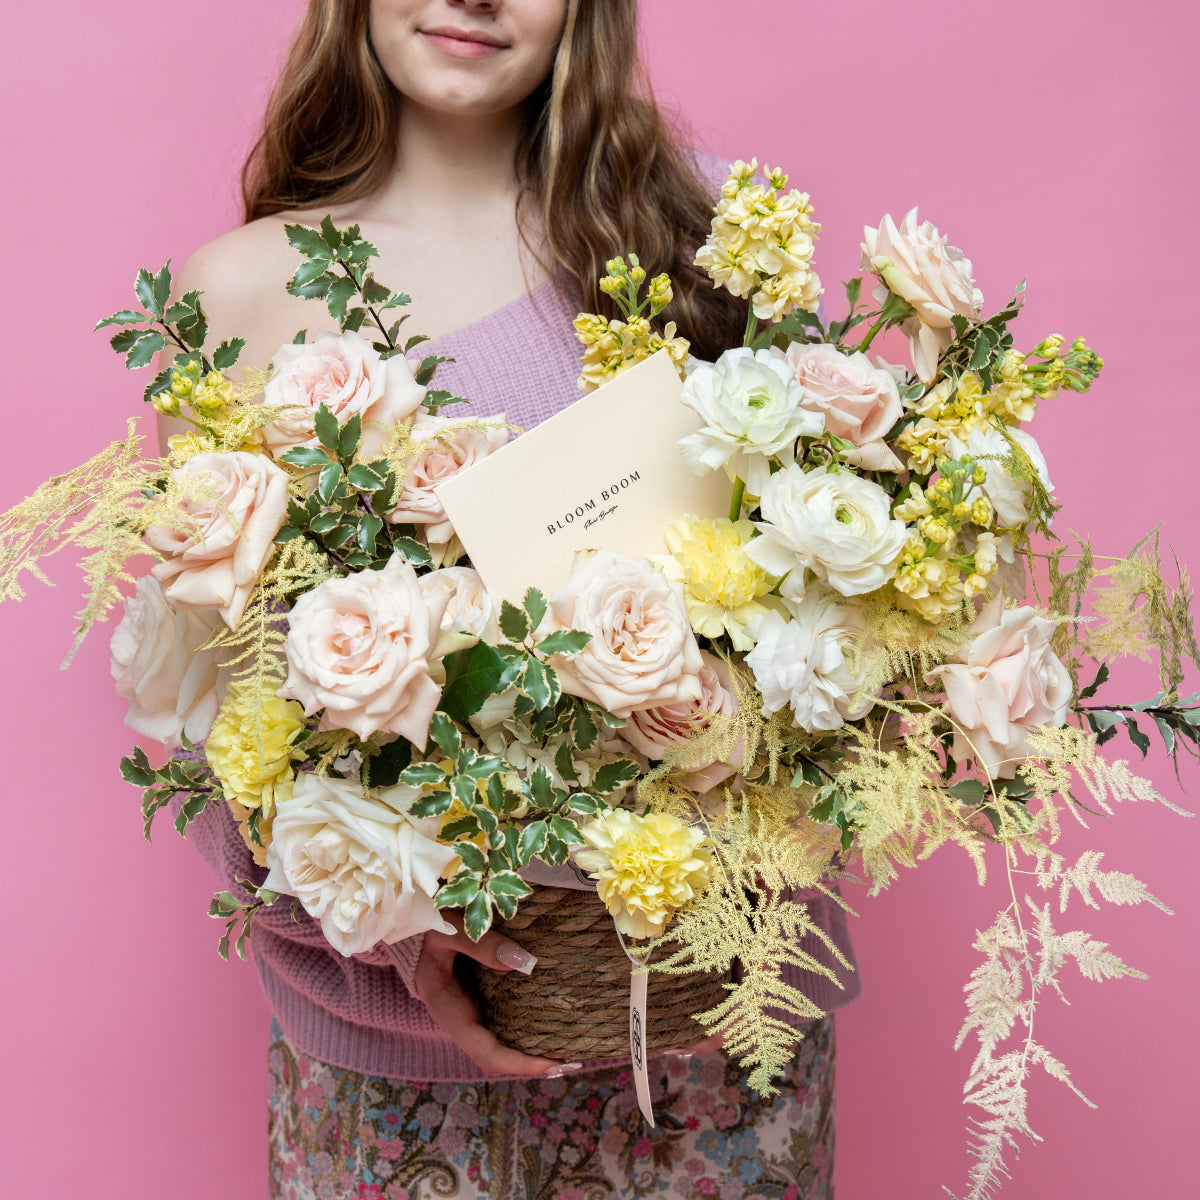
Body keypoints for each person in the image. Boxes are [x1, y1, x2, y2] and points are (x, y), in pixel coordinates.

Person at [158, 2, 860, 1195]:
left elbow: (850, 592)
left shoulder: (703, 225)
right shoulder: (239, 292)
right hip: (403, 1063)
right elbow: (231, 708)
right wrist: (389, 926)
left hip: (714, 1010)